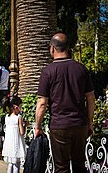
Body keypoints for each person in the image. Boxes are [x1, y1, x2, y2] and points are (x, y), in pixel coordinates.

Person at [34, 32, 95, 172]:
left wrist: (38, 126)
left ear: (52, 48)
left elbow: (42, 103)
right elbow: (90, 98)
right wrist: (90, 122)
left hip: (59, 125)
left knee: (61, 168)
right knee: (80, 166)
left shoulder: (47, 72)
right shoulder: (81, 69)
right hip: (80, 125)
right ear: (67, 47)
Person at [2, 95, 26, 173]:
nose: (21, 108)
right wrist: (25, 125)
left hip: (9, 144)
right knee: (16, 164)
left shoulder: (7, 117)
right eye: (20, 106)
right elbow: (22, 132)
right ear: (15, 107)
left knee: (11, 163)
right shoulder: (18, 117)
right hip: (16, 144)